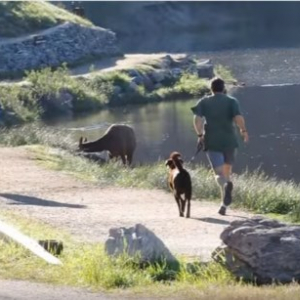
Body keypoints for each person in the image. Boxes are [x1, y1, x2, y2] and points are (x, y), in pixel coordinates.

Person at [191, 77, 249, 215]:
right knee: (227, 172)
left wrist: (200, 135)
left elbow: (197, 119)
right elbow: (238, 118)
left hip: (213, 141)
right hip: (229, 141)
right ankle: (224, 205)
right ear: (223, 88)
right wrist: (243, 130)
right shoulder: (231, 101)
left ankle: (225, 189)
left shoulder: (204, 102)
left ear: (211, 89)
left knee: (219, 174)